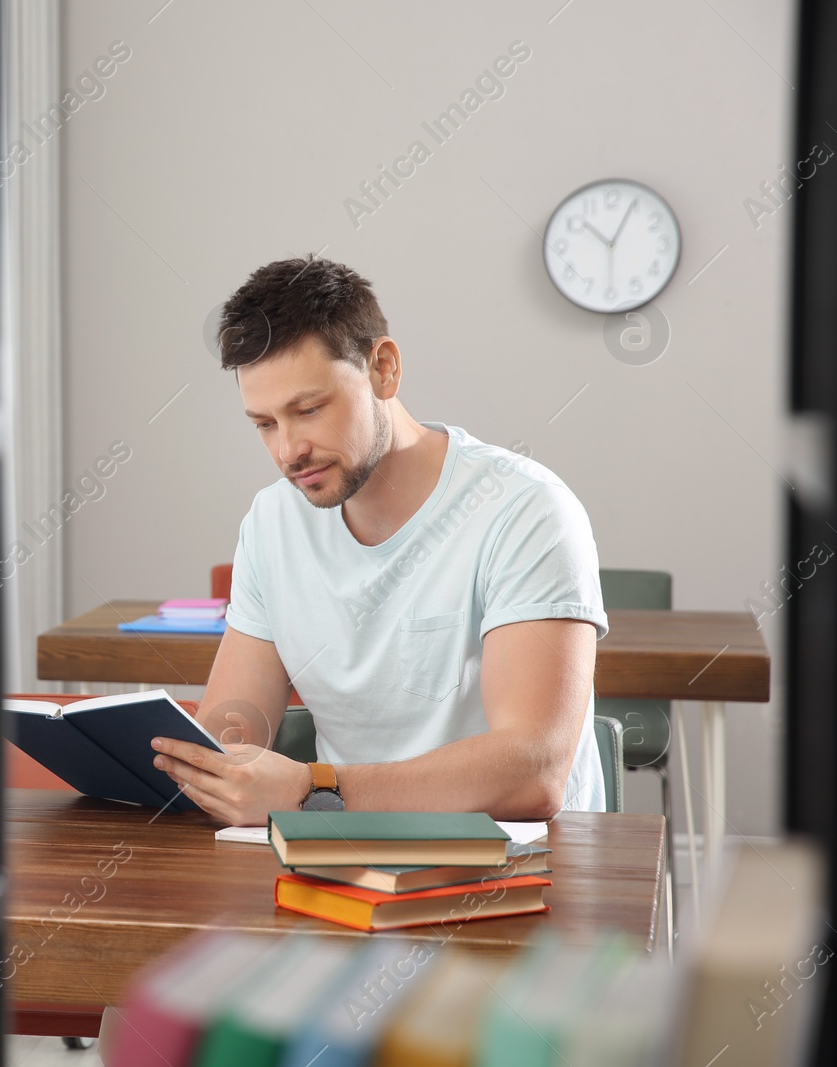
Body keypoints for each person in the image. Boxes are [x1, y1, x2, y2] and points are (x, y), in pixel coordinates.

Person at [150, 256, 607, 825]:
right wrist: (176, 763)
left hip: (517, 871)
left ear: (383, 369)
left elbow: (533, 773)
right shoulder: (272, 522)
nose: (288, 451)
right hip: (340, 860)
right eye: (264, 424)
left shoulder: (525, 510)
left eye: (309, 410)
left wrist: (311, 792)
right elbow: (230, 734)